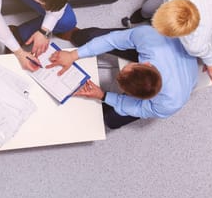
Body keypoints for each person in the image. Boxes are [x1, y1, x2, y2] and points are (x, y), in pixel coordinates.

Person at [47, 26, 198, 129]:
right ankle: (74, 33)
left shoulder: (168, 104)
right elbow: (112, 40)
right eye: (127, 68)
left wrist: (103, 95)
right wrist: (73, 55)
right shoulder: (148, 37)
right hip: (163, 45)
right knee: (90, 37)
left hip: (184, 77)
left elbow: (139, 108)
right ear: (145, 63)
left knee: (111, 120)